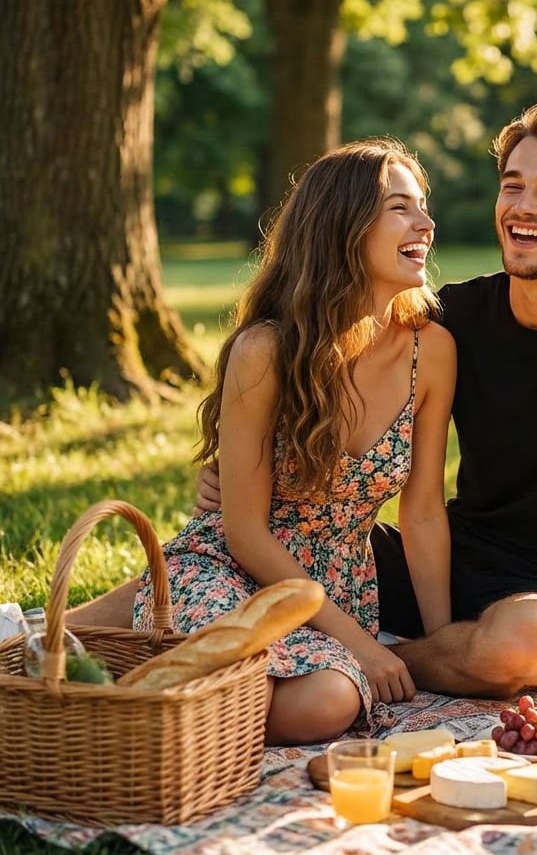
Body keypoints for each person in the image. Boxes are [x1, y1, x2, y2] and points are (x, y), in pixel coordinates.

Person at [195, 101, 537, 693]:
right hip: (451, 556)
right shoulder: (455, 317)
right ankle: (87, 645)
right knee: (238, 549)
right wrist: (242, 474)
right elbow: (330, 357)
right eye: (514, 185)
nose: (525, 206)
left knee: (513, 648)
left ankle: (367, 662)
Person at [122, 140, 456, 744]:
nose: (425, 224)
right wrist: (364, 647)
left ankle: (153, 704)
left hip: (337, 592)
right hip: (229, 572)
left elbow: (425, 511)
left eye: (424, 207)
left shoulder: (429, 349)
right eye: (400, 208)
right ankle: (130, 713)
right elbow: (244, 532)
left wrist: (442, 648)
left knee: (329, 696)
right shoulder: (265, 352)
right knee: (323, 696)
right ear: (342, 225)